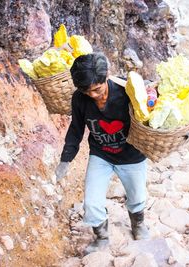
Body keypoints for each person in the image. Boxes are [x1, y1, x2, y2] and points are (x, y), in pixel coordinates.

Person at [55, 52, 149, 254]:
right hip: (102, 154)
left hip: (132, 155)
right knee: (91, 202)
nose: (93, 95)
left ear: (106, 76)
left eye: (97, 89)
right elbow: (76, 129)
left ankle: (138, 224)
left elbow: (151, 112)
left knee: (138, 196)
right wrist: (66, 159)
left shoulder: (127, 91)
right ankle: (102, 237)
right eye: (87, 92)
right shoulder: (80, 98)